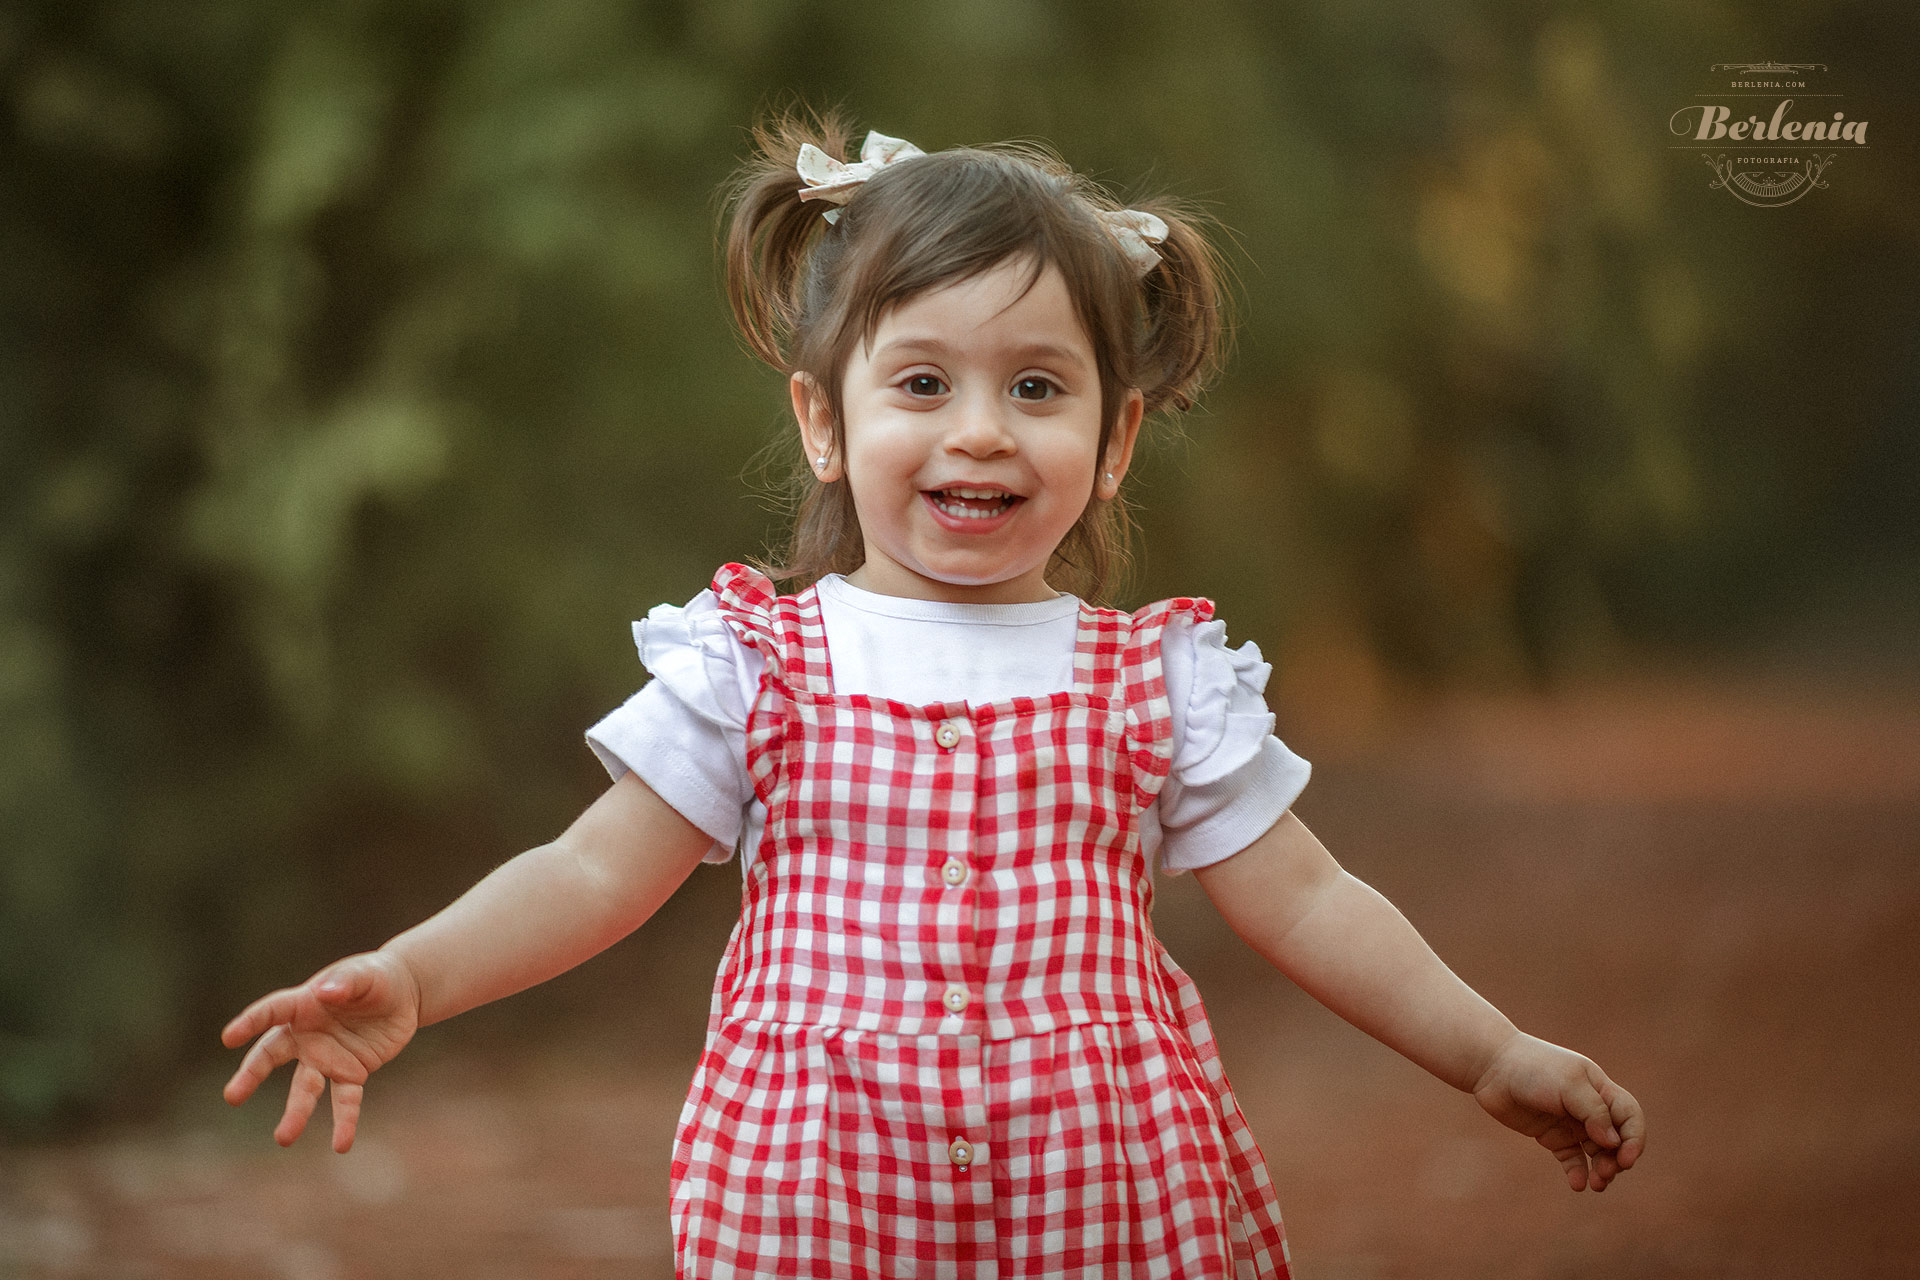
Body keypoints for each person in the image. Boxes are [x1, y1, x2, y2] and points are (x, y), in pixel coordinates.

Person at [222, 113, 1645, 1278]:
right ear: (825, 422)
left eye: (1038, 387)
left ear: (1117, 435)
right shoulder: (755, 665)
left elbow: (1315, 899)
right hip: (815, 1195)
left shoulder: (1156, 681)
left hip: (1105, 1188)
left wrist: (1490, 1051)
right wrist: (415, 972)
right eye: (921, 381)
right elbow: (593, 868)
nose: (980, 429)